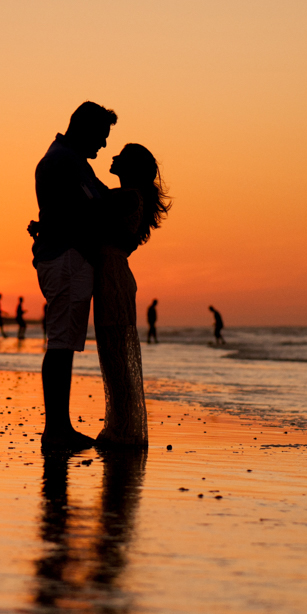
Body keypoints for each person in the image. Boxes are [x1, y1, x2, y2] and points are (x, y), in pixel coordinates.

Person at [29, 101, 118, 450]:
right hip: (66, 257)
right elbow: (94, 208)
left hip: (63, 256)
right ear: (84, 129)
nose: (104, 145)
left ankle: (59, 427)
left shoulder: (69, 159)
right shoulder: (64, 161)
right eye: (102, 136)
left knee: (63, 343)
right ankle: (56, 430)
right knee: (61, 344)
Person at [92, 143, 169, 449]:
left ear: (131, 167)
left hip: (112, 275)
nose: (114, 157)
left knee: (115, 356)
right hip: (114, 274)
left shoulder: (127, 196)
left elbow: (93, 204)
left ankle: (122, 429)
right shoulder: (132, 197)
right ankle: (121, 426)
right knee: (114, 355)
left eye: (122, 156)